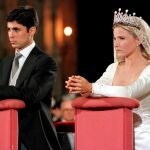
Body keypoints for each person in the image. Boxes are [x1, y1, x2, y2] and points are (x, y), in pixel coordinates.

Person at [65, 8, 150, 150]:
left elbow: (129, 93)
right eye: (114, 38)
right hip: (115, 136)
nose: (116, 44)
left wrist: (90, 87)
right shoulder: (113, 68)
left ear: (138, 40)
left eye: (122, 38)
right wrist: (81, 87)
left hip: (144, 139)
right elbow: (98, 88)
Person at [0, 5, 62, 150]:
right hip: (4, 135)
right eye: (9, 29)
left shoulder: (45, 62)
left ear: (32, 30)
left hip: (32, 139)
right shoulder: (4, 63)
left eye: (16, 29)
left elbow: (31, 94)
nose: (10, 34)